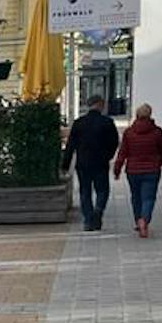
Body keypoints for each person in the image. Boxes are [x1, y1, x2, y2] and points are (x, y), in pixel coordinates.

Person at [62, 96, 122, 232]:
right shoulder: (107, 122)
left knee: (85, 191)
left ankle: (88, 220)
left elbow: (70, 145)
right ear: (100, 105)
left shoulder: (79, 123)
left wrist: (65, 164)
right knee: (102, 190)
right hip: (101, 162)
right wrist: (108, 156)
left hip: (83, 163)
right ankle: (98, 211)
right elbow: (114, 142)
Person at [115, 102, 162, 238]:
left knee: (136, 197)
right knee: (149, 197)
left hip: (133, 171)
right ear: (150, 115)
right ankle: (144, 219)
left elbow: (122, 152)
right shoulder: (157, 132)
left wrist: (117, 169)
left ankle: (138, 219)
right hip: (152, 170)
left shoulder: (129, 133)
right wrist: (160, 162)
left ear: (136, 115)